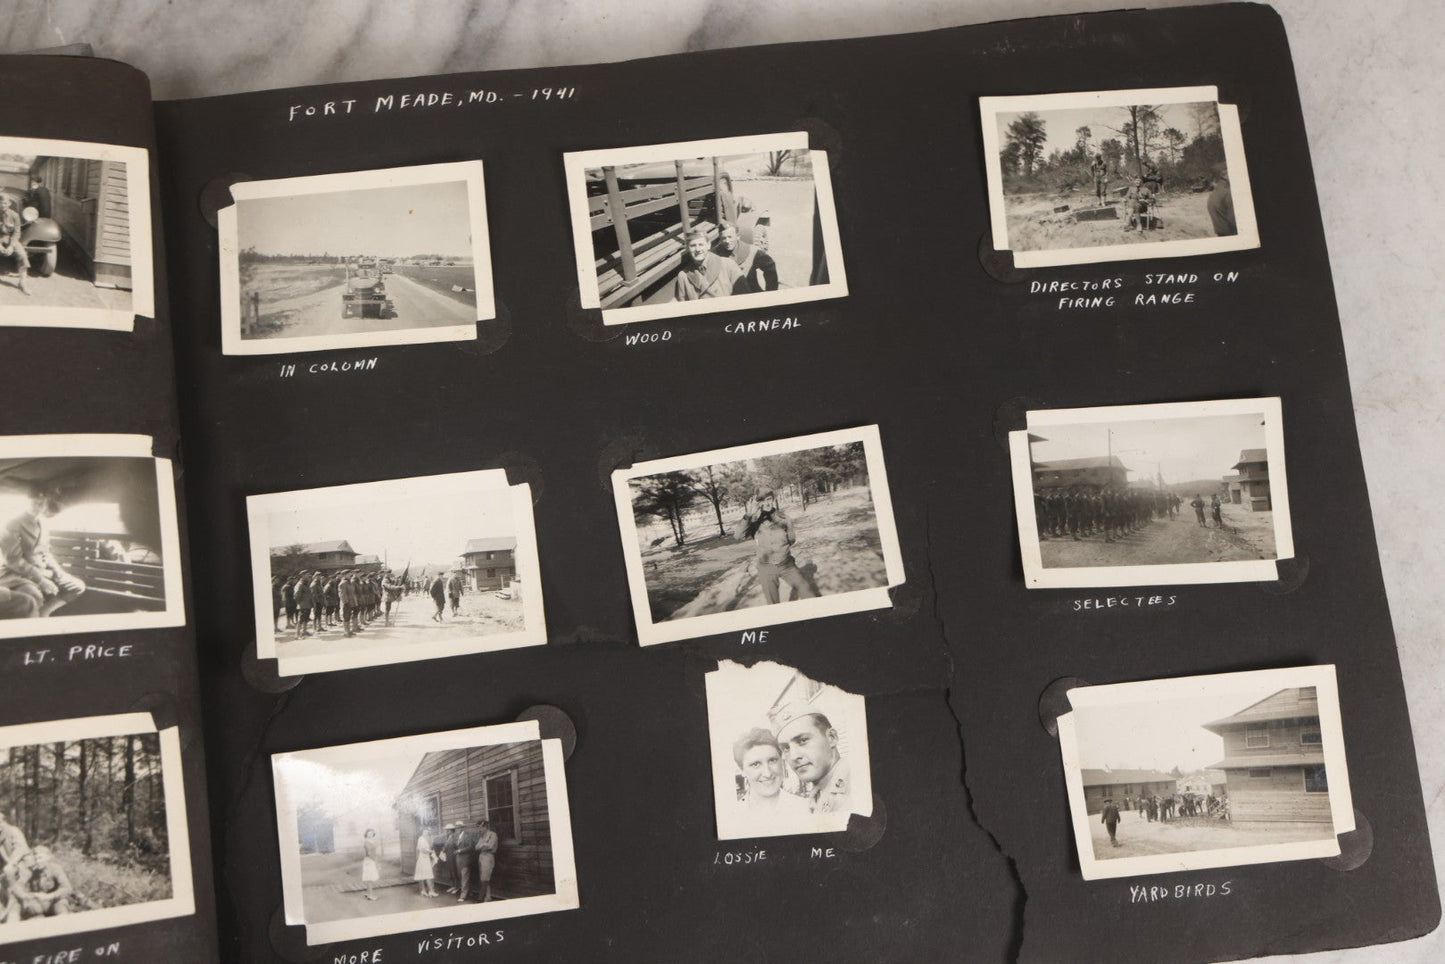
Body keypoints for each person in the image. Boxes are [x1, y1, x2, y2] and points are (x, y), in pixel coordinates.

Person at [1, 487, 86, 617]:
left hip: (43, 570)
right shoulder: (12, 524)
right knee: (33, 596)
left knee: (76, 586)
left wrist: (58, 572)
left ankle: (45, 612)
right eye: (35, 501)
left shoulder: (43, 523)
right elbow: (14, 561)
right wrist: (41, 580)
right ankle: (35, 627)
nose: (39, 505)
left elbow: (45, 552)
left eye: (43, 502)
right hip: (17, 575)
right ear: (27, 501)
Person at [736, 490, 819, 606]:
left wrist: (781, 549)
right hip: (766, 569)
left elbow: (791, 539)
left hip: (787, 565)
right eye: (762, 501)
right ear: (758, 503)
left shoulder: (784, 518)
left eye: (769, 499)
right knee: (773, 605)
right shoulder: (754, 522)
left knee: (808, 594)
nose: (767, 503)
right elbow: (738, 536)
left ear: (773, 499)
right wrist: (748, 515)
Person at [770, 703, 852, 818]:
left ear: (832, 738)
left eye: (803, 740)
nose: (793, 756)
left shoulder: (855, 788)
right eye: (786, 748)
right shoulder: (818, 792)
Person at [733, 727, 813, 828]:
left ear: (781, 762)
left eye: (772, 760)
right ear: (742, 770)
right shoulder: (733, 816)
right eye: (756, 764)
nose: (767, 773)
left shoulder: (805, 809)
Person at [672, 227, 743, 301]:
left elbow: (745, 297)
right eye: (693, 246)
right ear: (687, 248)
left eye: (701, 244)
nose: (698, 249)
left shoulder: (728, 265)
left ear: (708, 245)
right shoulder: (683, 276)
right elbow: (684, 307)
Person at [713, 221, 778, 294]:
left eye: (730, 237)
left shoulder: (752, 251)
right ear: (720, 238)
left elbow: (770, 266)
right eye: (724, 238)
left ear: (738, 236)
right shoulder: (713, 255)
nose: (727, 241)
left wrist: (770, 293)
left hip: (750, 294)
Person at [11, 847, 72, 918]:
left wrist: (49, 896)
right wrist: (27, 896)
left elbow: (67, 888)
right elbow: (17, 887)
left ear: (48, 857)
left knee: (62, 911)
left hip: (54, 901)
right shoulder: (30, 871)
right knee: (32, 915)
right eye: (35, 859)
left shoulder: (55, 869)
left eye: (40, 858)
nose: (37, 861)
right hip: (39, 904)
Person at [0, 197, 29, 297]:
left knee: (22, 255)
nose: (2, 205)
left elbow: (17, 233)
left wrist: (11, 246)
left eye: (5, 203)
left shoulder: (14, 215)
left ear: (9, 204)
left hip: (10, 238)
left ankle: (22, 282)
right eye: (1, 203)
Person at [1207, 164, 1235, 236]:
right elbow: (1234, 221)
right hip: (1231, 234)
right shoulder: (1227, 193)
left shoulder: (1212, 195)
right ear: (1225, 175)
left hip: (1221, 234)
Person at [474, 819, 498, 903]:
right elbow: (476, 847)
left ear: (485, 827)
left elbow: (490, 846)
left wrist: (483, 845)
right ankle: (488, 897)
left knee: (485, 878)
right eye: (479, 827)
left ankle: (480, 898)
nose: (479, 829)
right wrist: (483, 845)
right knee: (483, 878)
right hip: (481, 857)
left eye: (481, 827)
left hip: (488, 856)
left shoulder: (492, 834)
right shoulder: (482, 836)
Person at [413, 828, 438, 898]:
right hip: (423, 858)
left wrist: (430, 852)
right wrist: (431, 852)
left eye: (427, 832)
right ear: (422, 832)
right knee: (427, 874)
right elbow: (423, 850)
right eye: (425, 831)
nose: (426, 833)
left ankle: (425, 891)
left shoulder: (425, 839)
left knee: (424, 874)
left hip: (425, 858)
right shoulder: (421, 839)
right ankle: (428, 891)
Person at [360, 829, 380, 901]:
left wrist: (376, 860)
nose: (370, 834)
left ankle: (368, 893)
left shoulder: (372, 841)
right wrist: (376, 862)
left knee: (370, 878)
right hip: (369, 861)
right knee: (370, 879)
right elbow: (370, 853)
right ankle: (370, 895)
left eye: (371, 833)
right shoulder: (367, 842)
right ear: (366, 834)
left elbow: (374, 852)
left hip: (372, 860)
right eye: (369, 833)